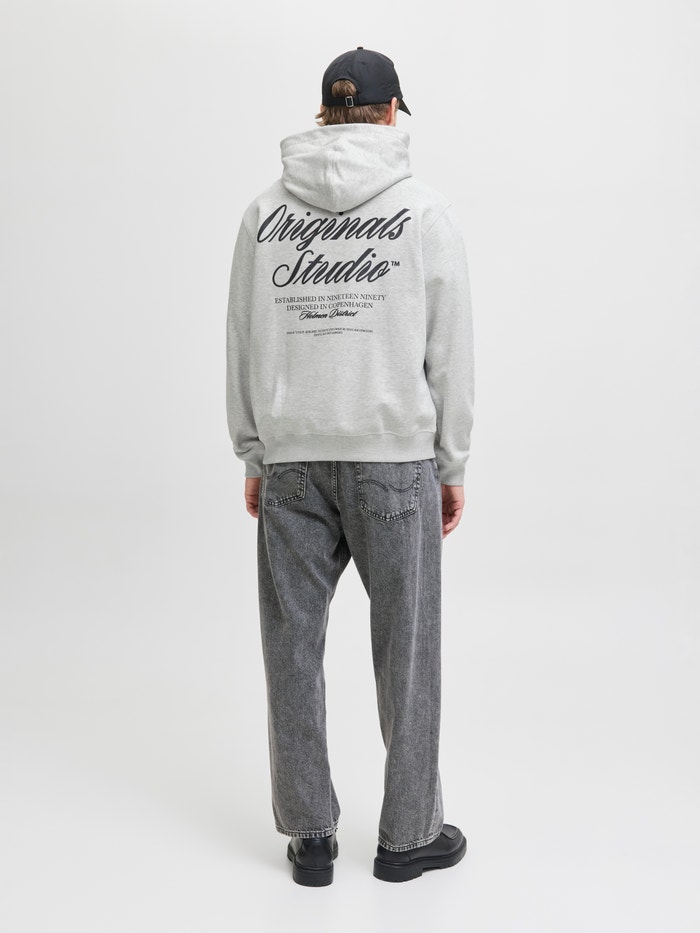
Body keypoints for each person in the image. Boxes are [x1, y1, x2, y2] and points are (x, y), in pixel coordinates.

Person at [225, 47, 475, 886]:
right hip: (394, 461)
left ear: (325, 112)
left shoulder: (264, 215)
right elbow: (451, 351)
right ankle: (408, 836)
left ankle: (310, 837)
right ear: (391, 111)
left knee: (291, 648)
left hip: (292, 461)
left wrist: (254, 449)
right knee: (407, 653)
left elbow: (241, 338)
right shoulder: (424, 213)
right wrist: (452, 462)